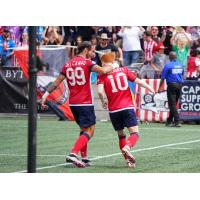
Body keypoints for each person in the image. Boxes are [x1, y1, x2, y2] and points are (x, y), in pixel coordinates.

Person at [40, 41, 115, 168]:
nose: (93, 53)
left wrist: (45, 95)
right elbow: (102, 71)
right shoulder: (87, 63)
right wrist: (112, 66)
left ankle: (84, 158)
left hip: (73, 104)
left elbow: (57, 82)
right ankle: (73, 153)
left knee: (84, 129)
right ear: (86, 50)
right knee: (90, 131)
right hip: (85, 102)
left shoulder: (68, 64)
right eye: (91, 50)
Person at [97, 52, 155, 168]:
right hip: (127, 107)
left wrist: (103, 101)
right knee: (135, 133)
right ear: (113, 62)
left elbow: (99, 91)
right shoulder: (124, 70)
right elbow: (139, 81)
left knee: (121, 135)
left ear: (104, 63)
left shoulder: (102, 75)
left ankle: (128, 161)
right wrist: (150, 88)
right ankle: (128, 147)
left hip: (113, 110)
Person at [158, 51, 184, 127]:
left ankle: (177, 121)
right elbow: (182, 75)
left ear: (169, 57)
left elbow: (162, 78)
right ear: (176, 57)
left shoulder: (167, 66)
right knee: (174, 104)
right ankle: (169, 120)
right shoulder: (180, 65)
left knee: (172, 105)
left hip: (172, 85)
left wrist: (159, 87)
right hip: (179, 85)